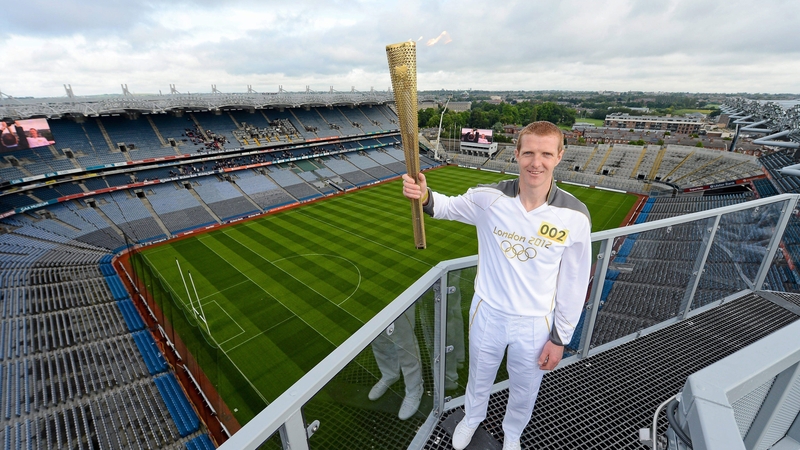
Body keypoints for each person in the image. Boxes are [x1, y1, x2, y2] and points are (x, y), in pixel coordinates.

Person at [402, 121, 591, 450]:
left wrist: (560, 339)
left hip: (536, 323)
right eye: (529, 152)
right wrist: (424, 194)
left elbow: (574, 284)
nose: (536, 162)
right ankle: (472, 418)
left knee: (525, 387)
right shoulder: (488, 199)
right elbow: (444, 207)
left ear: (559, 156)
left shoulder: (575, 215)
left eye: (546, 154)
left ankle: (513, 432)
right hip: (488, 313)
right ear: (516, 154)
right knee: (479, 377)